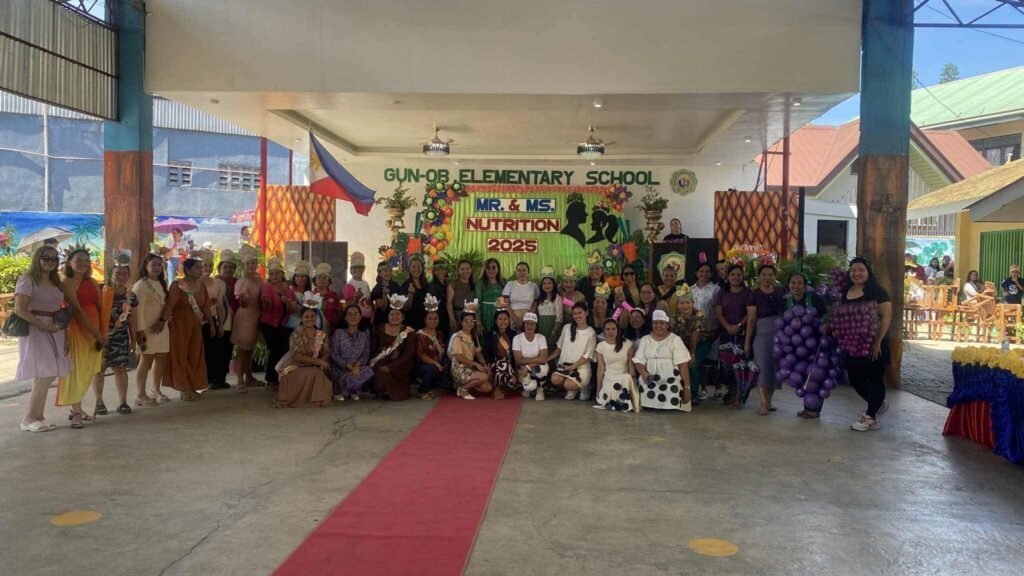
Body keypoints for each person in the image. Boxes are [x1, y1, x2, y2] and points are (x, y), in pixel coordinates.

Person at [14, 245, 71, 432]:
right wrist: (43, 326)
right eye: (46, 258)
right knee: (44, 373)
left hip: (56, 328)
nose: (50, 262)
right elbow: (20, 309)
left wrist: (65, 333)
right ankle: (29, 417)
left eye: (54, 259)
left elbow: (61, 308)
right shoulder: (28, 280)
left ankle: (38, 415)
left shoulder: (56, 281)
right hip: (37, 329)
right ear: (37, 259)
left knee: (47, 373)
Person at [841, 257, 893, 432]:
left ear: (868, 272)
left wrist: (878, 341)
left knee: (875, 379)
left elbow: (886, 316)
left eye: (861, 270)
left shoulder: (877, 291)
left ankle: (871, 417)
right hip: (853, 343)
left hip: (874, 343)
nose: (857, 273)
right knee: (855, 378)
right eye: (853, 270)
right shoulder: (846, 291)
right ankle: (877, 404)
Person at [59, 247, 106, 427]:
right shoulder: (66, 281)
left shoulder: (93, 282)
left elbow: (101, 307)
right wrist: (96, 333)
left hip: (94, 331)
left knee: (89, 370)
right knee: (75, 371)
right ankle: (77, 412)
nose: (83, 264)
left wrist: (102, 331)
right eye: (78, 260)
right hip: (76, 330)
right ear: (69, 263)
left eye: (86, 260)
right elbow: (77, 310)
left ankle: (76, 408)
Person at [163, 257, 214, 401]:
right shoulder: (178, 285)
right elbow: (170, 305)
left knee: (195, 354)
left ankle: (193, 386)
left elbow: (206, 306)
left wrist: (211, 323)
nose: (201, 270)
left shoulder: (201, 285)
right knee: (180, 355)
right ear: (188, 270)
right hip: (179, 324)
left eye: (201, 267)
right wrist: (162, 320)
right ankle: (183, 388)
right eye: (197, 267)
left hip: (196, 324)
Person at [95, 260, 137, 415]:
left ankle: (123, 402)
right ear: (111, 274)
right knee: (99, 370)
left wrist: (134, 341)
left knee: (120, 369)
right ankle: (99, 402)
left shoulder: (131, 296)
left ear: (129, 276)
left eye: (124, 274)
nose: (121, 276)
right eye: (117, 273)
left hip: (121, 337)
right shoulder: (102, 291)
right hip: (101, 337)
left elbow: (133, 320)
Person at [786, 273, 828, 419]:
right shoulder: (787, 301)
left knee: (814, 375)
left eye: (799, 283)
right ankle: (808, 407)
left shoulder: (814, 298)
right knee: (802, 374)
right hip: (795, 345)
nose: (796, 286)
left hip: (814, 343)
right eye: (793, 283)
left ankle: (814, 409)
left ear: (805, 286)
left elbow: (825, 317)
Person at [274, 306, 332, 408]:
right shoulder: (297, 333)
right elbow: (297, 356)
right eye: (306, 317)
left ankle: (316, 399)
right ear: (302, 318)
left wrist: (322, 362)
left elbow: (326, 351)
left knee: (320, 372)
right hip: (296, 366)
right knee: (315, 373)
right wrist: (318, 362)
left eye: (312, 316)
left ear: (316, 317)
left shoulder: (320, 334)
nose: (310, 319)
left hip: (314, 366)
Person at [634, 309, 692, 412]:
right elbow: (639, 360)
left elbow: (683, 364)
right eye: (655, 323)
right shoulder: (645, 339)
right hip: (650, 378)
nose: (658, 326)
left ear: (667, 325)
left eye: (662, 323)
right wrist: (644, 374)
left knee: (673, 390)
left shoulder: (675, 339)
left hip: (670, 379)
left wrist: (687, 387)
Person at [747, 264, 786, 415]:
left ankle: (769, 400)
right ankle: (763, 402)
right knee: (762, 366)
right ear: (759, 276)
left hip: (781, 334)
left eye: (770, 274)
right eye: (764, 274)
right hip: (762, 334)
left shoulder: (782, 292)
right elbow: (751, 319)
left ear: (775, 276)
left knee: (775, 367)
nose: (767, 277)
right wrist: (747, 342)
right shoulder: (754, 294)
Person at [133, 253, 170, 404]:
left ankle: (155, 389)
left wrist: (163, 321)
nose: (156, 267)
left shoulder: (161, 283)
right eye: (153, 264)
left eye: (159, 264)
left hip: (161, 327)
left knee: (161, 358)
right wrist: (140, 331)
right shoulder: (141, 284)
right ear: (146, 266)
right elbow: (137, 310)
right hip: (146, 329)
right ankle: (140, 394)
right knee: (145, 360)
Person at [714, 264, 753, 408]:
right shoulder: (722, 292)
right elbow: (718, 312)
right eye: (732, 274)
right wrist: (728, 326)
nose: (736, 277)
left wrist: (739, 325)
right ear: (727, 277)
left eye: (739, 275)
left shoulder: (748, 292)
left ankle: (739, 396)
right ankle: (731, 390)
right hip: (725, 333)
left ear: (743, 277)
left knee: (740, 364)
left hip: (742, 334)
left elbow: (750, 313)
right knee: (727, 365)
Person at [260, 258, 298, 392]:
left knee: (284, 350)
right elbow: (267, 306)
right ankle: (271, 379)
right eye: (272, 273)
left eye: (277, 273)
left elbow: (292, 310)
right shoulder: (267, 287)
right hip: (269, 324)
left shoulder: (288, 289)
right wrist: (266, 302)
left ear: (282, 274)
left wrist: (287, 302)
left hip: (284, 325)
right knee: (275, 350)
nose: (275, 276)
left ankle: (281, 378)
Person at [547, 302, 598, 401]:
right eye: (575, 313)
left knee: (569, 385)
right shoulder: (566, 328)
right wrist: (547, 359)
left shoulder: (591, 333)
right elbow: (559, 348)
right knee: (555, 379)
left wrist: (572, 367)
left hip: (580, 368)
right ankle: (573, 388)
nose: (577, 316)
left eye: (580, 313)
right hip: (565, 366)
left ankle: (584, 387)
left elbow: (586, 356)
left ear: (586, 313)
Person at [370, 294, 416, 400]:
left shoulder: (408, 331)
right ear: (388, 316)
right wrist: (374, 360)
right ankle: (380, 390)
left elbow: (409, 353)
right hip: (380, 360)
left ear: (403, 317)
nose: (395, 317)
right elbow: (373, 347)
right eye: (392, 314)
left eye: (398, 314)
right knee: (379, 369)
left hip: (399, 364)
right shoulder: (380, 328)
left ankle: (391, 391)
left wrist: (391, 366)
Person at [232, 247, 264, 392]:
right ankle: (240, 379)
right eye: (247, 263)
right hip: (244, 317)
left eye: (253, 263)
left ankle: (249, 377)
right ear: (244, 266)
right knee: (242, 348)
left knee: (250, 349)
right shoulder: (242, 281)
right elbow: (242, 303)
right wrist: (243, 300)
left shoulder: (260, 280)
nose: (250, 266)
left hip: (256, 316)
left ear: (257, 264)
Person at [449, 303, 494, 400]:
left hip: (469, 368)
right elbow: (458, 357)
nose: (469, 323)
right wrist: (475, 364)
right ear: (461, 322)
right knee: (484, 377)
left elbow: (478, 353)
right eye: (466, 321)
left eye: (472, 321)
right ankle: (463, 389)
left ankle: (465, 385)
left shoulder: (474, 335)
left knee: (488, 387)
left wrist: (484, 364)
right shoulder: (458, 336)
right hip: (459, 368)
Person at [594, 318, 639, 412]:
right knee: (609, 393)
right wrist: (598, 388)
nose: (610, 331)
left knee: (626, 378)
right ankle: (617, 402)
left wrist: (633, 380)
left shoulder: (627, 343)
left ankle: (621, 402)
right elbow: (600, 369)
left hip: (624, 377)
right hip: (609, 377)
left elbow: (631, 364)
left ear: (618, 330)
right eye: (608, 329)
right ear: (604, 331)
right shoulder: (600, 346)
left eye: (613, 329)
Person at [330, 305, 373, 401]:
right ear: (345, 317)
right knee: (343, 375)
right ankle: (338, 391)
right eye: (350, 314)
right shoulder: (338, 332)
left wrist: (357, 365)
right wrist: (348, 366)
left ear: (360, 317)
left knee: (368, 371)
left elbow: (366, 353)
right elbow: (334, 354)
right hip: (340, 367)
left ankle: (353, 390)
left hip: (357, 366)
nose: (353, 317)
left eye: (355, 314)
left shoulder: (365, 333)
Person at [674, 286, 708, 407]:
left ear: (692, 303)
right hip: (683, 345)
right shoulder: (674, 317)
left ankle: (693, 395)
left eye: (688, 302)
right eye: (682, 303)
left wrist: (692, 354)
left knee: (691, 365)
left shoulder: (699, 315)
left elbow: (695, 335)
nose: (685, 306)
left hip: (700, 344)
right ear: (677, 305)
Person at [690, 262, 721, 400]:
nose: (704, 274)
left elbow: (719, 310)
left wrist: (717, 328)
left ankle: (717, 388)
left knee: (713, 361)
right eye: (701, 271)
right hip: (695, 332)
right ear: (696, 273)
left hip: (712, 330)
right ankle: (703, 389)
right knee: (700, 362)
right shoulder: (690, 290)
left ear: (711, 273)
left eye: (707, 271)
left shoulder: (716, 289)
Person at [200, 255, 227, 391]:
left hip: (213, 320)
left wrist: (221, 324)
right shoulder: (195, 283)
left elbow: (219, 306)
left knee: (213, 351)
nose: (207, 268)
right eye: (204, 265)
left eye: (210, 265)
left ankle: (212, 379)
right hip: (199, 321)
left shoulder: (217, 283)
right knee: (201, 351)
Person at [211, 250, 237, 390]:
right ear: (219, 268)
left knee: (227, 350)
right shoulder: (214, 282)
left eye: (231, 267)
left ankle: (221, 378)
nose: (228, 270)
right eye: (225, 267)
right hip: (219, 321)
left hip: (232, 322)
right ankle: (213, 379)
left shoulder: (237, 282)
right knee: (217, 350)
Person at [414, 295, 447, 400]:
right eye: (430, 319)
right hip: (422, 365)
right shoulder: (420, 335)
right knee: (431, 369)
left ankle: (431, 386)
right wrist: (436, 363)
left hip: (438, 364)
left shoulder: (440, 334)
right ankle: (422, 391)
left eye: (435, 318)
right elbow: (421, 355)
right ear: (425, 320)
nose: (433, 321)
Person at [482, 309, 518, 399]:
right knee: (502, 364)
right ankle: (498, 389)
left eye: (505, 319)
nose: (503, 322)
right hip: (494, 364)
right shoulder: (490, 334)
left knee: (513, 381)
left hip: (510, 365)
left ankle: (501, 387)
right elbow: (486, 352)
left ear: (509, 320)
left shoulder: (513, 334)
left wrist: (516, 370)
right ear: (495, 321)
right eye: (500, 319)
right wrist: (487, 365)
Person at [513, 312, 549, 400]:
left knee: (542, 369)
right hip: (523, 368)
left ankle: (540, 389)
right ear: (523, 325)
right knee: (529, 387)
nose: (529, 326)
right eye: (527, 323)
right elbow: (518, 360)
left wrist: (528, 366)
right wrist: (537, 359)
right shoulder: (517, 338)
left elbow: (544, 359)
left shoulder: (541, 338)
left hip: (535, 366)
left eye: (532, 324)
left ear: (536, 326)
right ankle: (529, 388)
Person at [503, 262, 539, 330]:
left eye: (524, 270)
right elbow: (506, 304)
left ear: (528, 272)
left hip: (529, 317)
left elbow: (535, 305)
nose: (521, 273)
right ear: (515, 272)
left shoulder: (534, 286)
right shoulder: (510, 284)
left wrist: (525, 318)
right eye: (519, 270)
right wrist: (515, 319)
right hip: (512, 316)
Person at [534, 267, 563, 346]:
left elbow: (559, 318)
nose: (547, 285)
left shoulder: (557, 298)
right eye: (544, 283)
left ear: (554, 284)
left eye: (549, 283)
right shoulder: (540, 298)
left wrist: (553, 333)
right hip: (541, 327)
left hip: (552, 328)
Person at [342, 252, 373, 323]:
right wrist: (356, 298)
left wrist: (372, 315)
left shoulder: (366, 283)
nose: (358, 269)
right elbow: (349, 307)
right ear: (351, 270)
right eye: (355, 267)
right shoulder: (349, 285)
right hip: (356, 320)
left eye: (360, 267)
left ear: (364, 269)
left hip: (367, 318)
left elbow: (369, 302)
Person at [476, 258, 505, 332]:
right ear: (485, 269)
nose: (491, 270)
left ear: (498, 269)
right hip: (485, 314)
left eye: (494, 267)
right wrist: (478, 322)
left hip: (500, 315)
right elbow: (477, 304)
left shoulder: (503, 282)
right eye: (488, 268)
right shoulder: (480, 283)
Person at [447, 259, 476, 334]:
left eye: (467, 268)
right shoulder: (453, 283)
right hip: (458, 315)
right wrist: (451, 318)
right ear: (458, 271)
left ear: (471, 269)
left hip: (471, 316)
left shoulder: (474, 284)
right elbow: (449, 302)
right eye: (462, 269)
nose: (465, 271)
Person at [313, 263, 343, 332]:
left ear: (329, 282)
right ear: (315, 281)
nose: (322, 280)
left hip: (332, 330)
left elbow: (339, 313)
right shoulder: (310, 296)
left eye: (324, 278)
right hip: (314, 331)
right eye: (319, 277)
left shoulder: (334, 296)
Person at [401, 257, 429, 330]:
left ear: (422, 268)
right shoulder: (405, 285)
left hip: (424, 323)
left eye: (419, 267)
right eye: (413, 267)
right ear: (409, 269)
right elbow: (405, 308)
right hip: (411, 323)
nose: (416, 269)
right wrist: (410, 293)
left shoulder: (425, 284)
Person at [371, 262, 401, 327]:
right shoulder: (377, 288)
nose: (388, 273)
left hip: (395, 320)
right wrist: (384, 295)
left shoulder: (395, 285)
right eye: (385, 271)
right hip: (382, 322)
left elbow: (400, 303)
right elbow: (382, 308)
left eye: (390, 271)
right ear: (379, 273)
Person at [286, 260, 312, 330]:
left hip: (307, 321)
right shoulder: (291, 291)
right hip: (293, 323)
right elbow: (292, 310)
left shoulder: (308, 293)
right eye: (297, 276)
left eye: (303, 276)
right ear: (294, 278)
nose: (300, 279)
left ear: (307, 278)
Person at [427, 260, 451, 334]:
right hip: (439, 319)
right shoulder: (432, 287)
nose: (441, 272)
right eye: (438, 270)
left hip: (450, 316)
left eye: (443, 269)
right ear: (434, 272)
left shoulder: (449, 283)